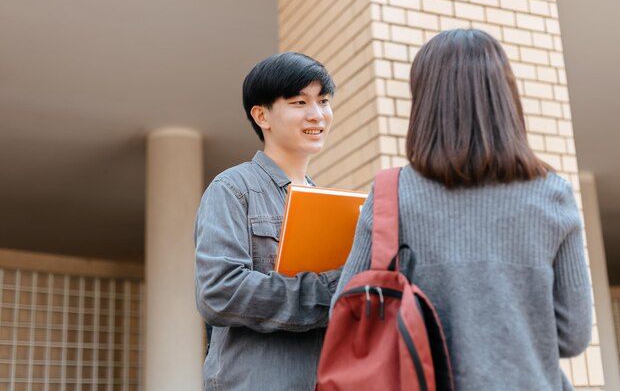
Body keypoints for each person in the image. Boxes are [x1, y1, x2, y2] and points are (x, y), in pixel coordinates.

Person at [333, 29, 592, 391]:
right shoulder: (554, 194)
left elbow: (347, 312)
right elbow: (573, 335)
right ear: (505, 98)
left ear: (424, 102)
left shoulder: (393, 194)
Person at [195, 52, 341, 391]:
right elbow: (219, 290)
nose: (317, 114)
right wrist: (329, 292)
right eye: (299, 102)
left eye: (323, 100)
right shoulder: (233, 188)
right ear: (262, 115)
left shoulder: (332, 203)